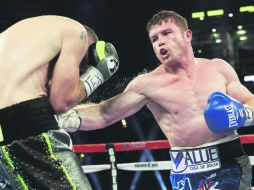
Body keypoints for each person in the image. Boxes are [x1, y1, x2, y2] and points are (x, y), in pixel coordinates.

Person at [57, 10, 254, 189]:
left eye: (167, 33)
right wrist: (57, 116)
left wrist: (243, 114)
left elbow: (249, 100)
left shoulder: (218, 68)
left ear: (187, 36)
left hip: (229, 165)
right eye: (154, 39)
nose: (160, 42)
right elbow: (103, 114)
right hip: (185, 175)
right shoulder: (147, 84)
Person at [0, 15, 119, 190]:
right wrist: (97, 74)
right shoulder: (77, 33)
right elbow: (61, 102)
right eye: (81, 68)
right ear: (91, 47)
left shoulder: (21, 37)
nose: (78, 74)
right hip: (30, 130)